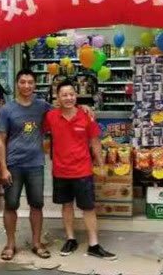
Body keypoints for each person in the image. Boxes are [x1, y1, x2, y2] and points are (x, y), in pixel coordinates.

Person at [43, 79, 117, 260]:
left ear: (76, 96)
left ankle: (94, 244)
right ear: (57, 98)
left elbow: (95, 141)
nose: (68, 98)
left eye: (71, 94)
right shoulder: (51, 117)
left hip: (83, 170)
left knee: (88, 207)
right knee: (66, 205)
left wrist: (101, 165)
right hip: (60, 171)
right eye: (64, 95)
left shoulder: (86, 116)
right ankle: (71, 239)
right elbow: (39, 133)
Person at [0, 69, 51, 261]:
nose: (26, 86)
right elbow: (0, 140)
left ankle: (37, 243)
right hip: (13, 164)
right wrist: (3, 168)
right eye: (23, 82)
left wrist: (84, 107)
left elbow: (63, 110)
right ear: (17, 84)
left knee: (37, 204)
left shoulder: (42, 106)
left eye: (30, 82)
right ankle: (10, 244)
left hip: (35, 164)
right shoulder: (7, 110)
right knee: (11, 205)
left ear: (35, 85)